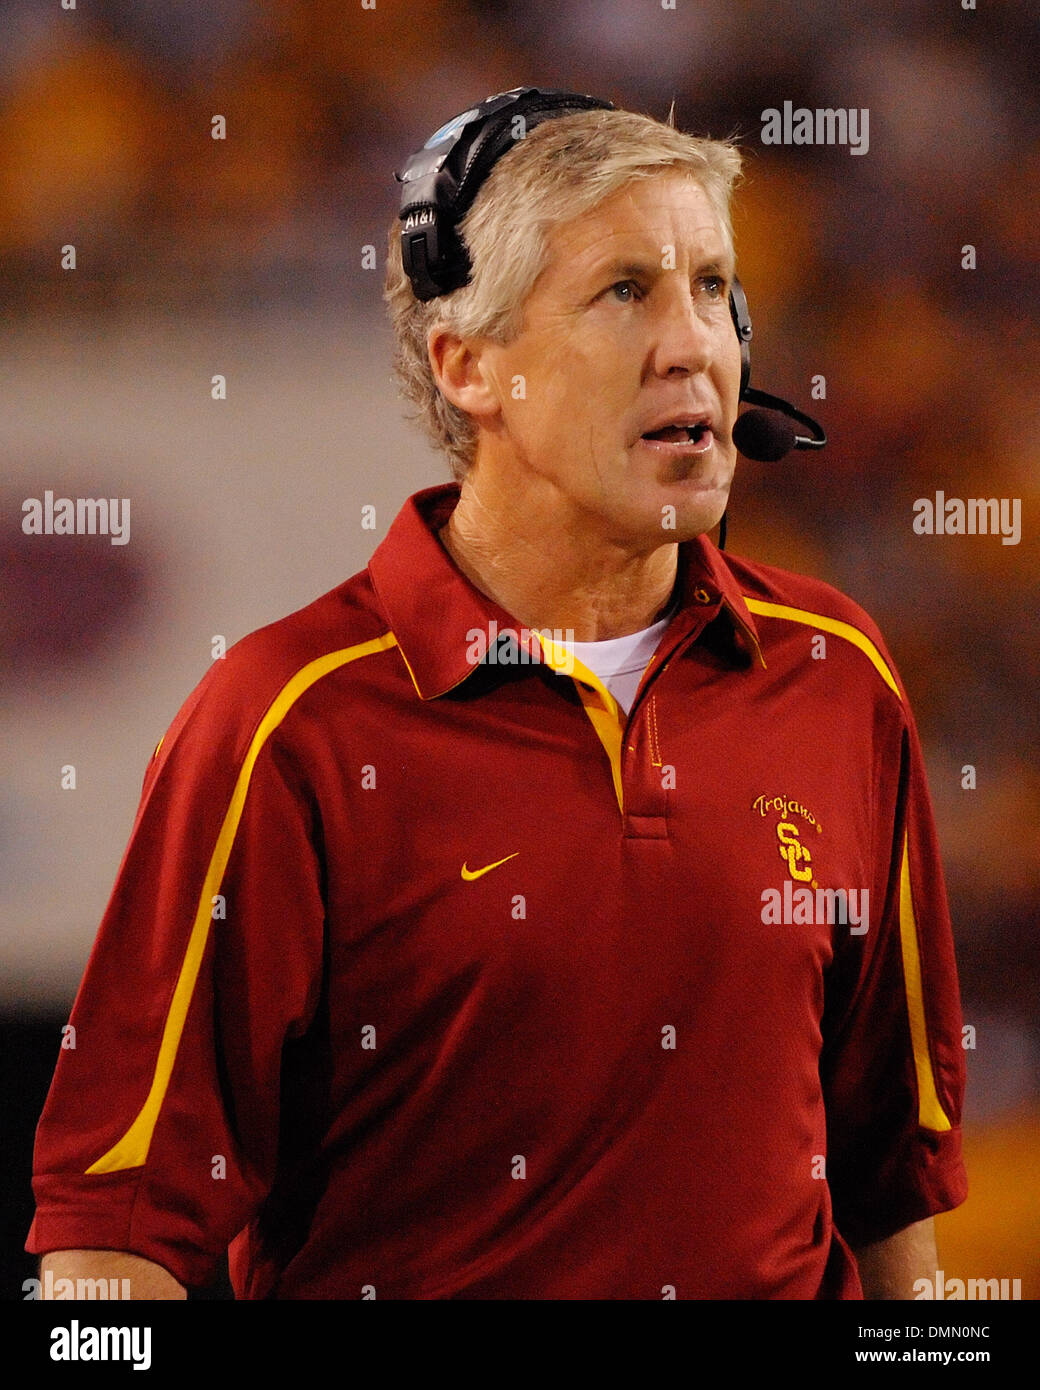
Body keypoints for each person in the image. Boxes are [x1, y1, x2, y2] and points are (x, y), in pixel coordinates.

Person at [27, 91, 967, 1300]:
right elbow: (112, 1239)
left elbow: (889, 1190)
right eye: (624, 290)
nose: (694, 343)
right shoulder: (285, 721)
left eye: (710, 288)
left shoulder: (835, 672)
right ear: (467, 366)